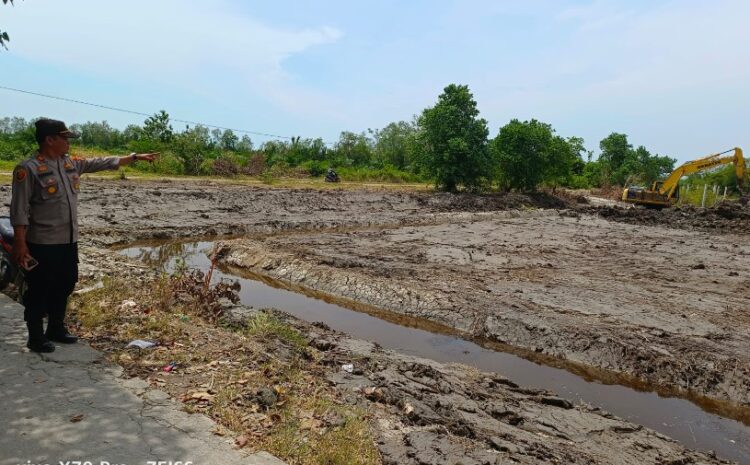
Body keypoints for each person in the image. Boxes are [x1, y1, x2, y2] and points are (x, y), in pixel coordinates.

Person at [10, 118, 158, 353]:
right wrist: (20, 244)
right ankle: (35, 337)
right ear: (50, 140)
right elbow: (19, 210)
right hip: (42, 243)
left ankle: (56, 328)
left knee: (66, 283)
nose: (68, 142)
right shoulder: (26, 169)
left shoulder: (69, 164)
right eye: (64, 138)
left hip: (68, 241)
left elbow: (99, 162)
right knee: (39, 288)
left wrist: (134, 157)